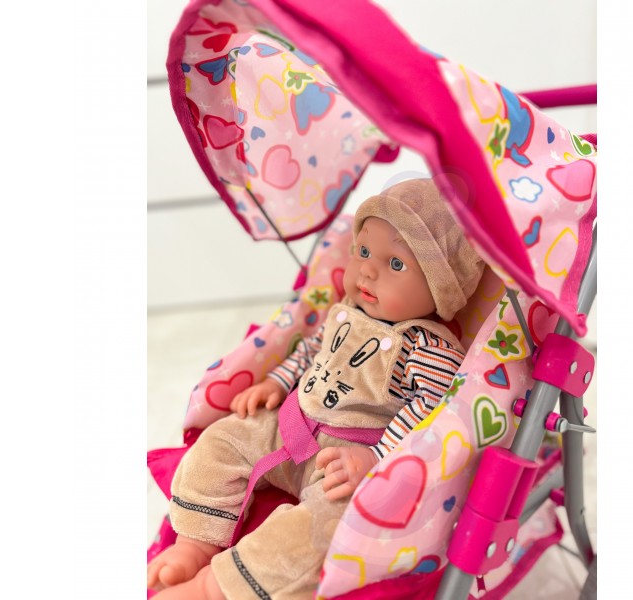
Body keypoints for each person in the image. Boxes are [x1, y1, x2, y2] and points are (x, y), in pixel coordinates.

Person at [147, 178, 485, 600]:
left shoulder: (427, 347)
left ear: (440, 287)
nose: (368, 270)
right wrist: (278, 381)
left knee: (326, 529)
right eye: (364, 251)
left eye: (395, 264)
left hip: (344, 461)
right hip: (289, 423)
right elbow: (312, 349)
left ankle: (214, 587)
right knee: (222, 441)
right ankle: (196, 542)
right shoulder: (346, 311)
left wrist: (377, 457)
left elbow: (431, 408)